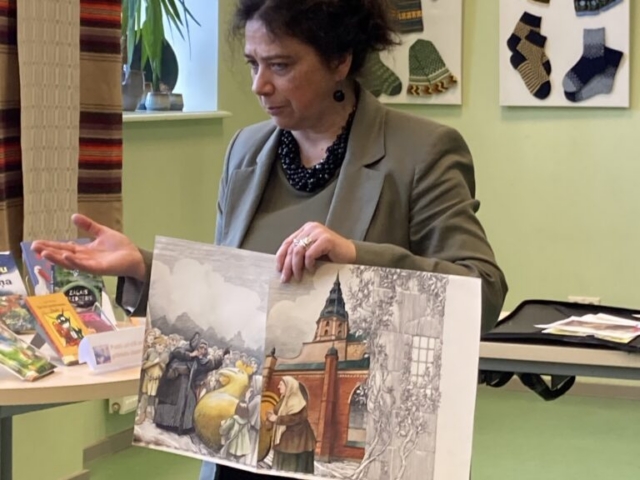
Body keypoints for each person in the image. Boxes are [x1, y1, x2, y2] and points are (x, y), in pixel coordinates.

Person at [31, 0, 508, 478]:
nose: (259, 85)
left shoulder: (422, 152)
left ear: (340, 60)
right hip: (243, 455)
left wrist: (355, 256)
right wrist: (143, 265)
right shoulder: (245, 150)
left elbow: (481, 292)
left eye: (280, 66)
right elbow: (234, 292)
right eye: (253, 64)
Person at [265, 376, 317, 474]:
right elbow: (278, 411)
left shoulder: (297, 401)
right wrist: (271, 414)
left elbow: (295, 418)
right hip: (285, 441)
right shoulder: (284, 399)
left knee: (292, 469)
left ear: (289, 386)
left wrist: (277, 419)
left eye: (281, 384)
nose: (278, 386)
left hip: (298, 443)